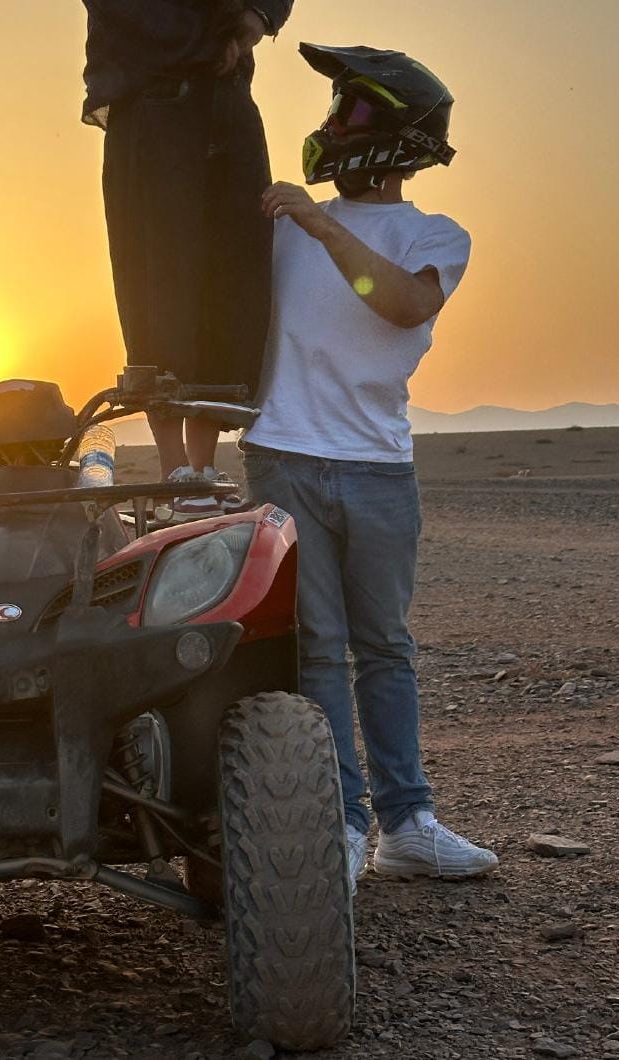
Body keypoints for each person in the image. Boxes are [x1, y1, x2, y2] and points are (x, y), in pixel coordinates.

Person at [242, 43, 499, 888]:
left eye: (350, 111)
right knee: (315, 651)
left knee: (383, 646)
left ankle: (408, 825)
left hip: (378, 467)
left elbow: (401, 306)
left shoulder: (433, 235)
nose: (331, 127)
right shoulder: (278, 226)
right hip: (283, 457)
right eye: (334, 109)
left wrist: (318, 222)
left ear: (395, 131)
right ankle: (344, 826)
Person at [77, 0, 324, 515]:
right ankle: (175, 467)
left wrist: (249, 26)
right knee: (163, 283)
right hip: (152, 116)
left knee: (234, 278)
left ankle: (205, 471)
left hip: (226, 116)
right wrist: (196, 42)